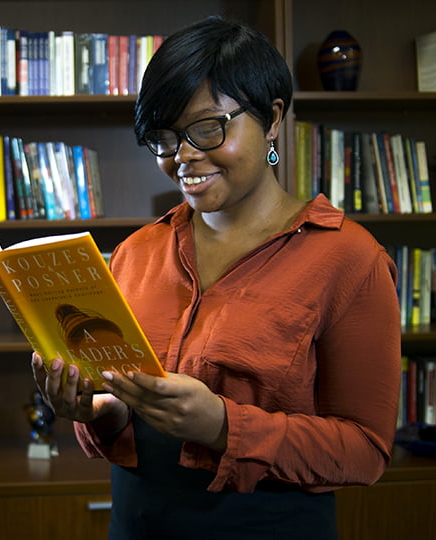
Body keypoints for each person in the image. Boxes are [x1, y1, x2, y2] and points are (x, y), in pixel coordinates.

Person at [31, 15, 401, 540]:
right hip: (137, 524)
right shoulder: (137, 253)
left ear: (272, 119)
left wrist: (226, 427)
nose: (183, 157)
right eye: (164, 137)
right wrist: (92, 410)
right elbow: (120, 417)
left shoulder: (349, 259)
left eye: (208, 127)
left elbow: (365, 451)